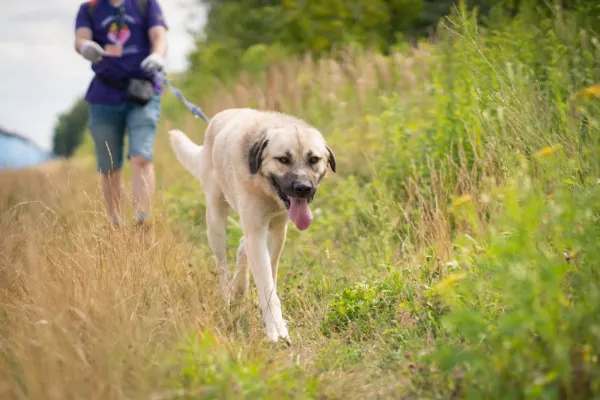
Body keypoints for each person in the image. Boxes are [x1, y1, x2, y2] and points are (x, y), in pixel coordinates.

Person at [74, 0, 168, 228]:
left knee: (141, 157)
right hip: (104, 94)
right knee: (109, 166)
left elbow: (159, 35)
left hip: (142, 92)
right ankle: (114, 223)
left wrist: (157, 55)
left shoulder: (146, 4)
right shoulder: (90, 8)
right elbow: (80, 39)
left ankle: (142, 221)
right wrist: (85, 46)